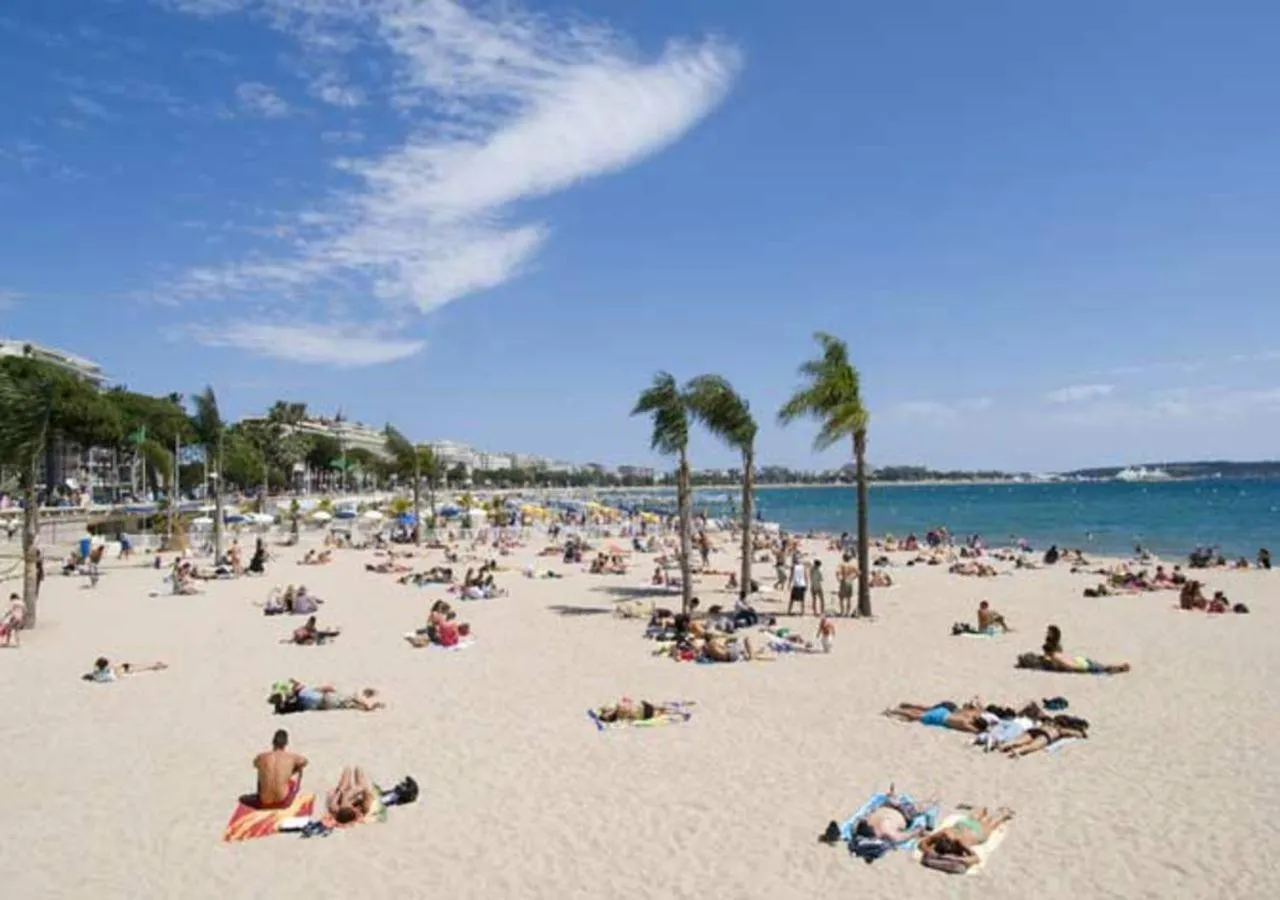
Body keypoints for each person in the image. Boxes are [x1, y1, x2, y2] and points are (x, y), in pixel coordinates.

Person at [918, 808, 1015, 872]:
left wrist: (958, 859)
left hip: (977, 832)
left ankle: (1000, 813)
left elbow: (975, 859)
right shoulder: (945, 833)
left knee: (990, 822)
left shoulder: (956, 840)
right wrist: (929, 850)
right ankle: (1001, 813)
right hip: (971, 829)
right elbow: (923, 843)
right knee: (989, 821)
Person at [1037, 625, 1130, 674]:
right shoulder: (1057, 652)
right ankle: (1117, 667)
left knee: (1102, 668)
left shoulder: (1055, 656)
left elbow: (1069, 666)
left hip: (1079, 663)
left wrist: (1078, 670)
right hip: (1079, 660)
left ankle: (1117, 667)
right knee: (1101, 666)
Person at [252, 729, 308, 809]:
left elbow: (255, 764)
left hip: (264, 801)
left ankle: (265, 791)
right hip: (283, 801)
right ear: (286, 743)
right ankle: (292, 791)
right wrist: (292, 770)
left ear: (273, 742)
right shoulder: (291, 757)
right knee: (298, 770)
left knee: (261, 769)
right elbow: (305, 761)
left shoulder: (262, 756)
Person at [883, 700, 989, 733]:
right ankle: (895, 711)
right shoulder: (966, 724)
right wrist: (984, 731)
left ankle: (901, 709)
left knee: (921, 712)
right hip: (941, 719)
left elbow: (979, 710)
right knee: (918, 716)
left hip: (945, 712)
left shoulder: (969, 717)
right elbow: (975, 731)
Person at [595, 697, 682, 723]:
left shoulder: (618, 712)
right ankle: (675, 711)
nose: (606, 713)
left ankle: (674, 711)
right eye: (606, 715)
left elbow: (628, 701)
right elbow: (628, 703)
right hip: (643, 712)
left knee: (660, 710)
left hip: (643, 709)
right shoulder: (619, 714)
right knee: (661, 711)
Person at [83, 657, 168, 682]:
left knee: (129, 667)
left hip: (114, 674)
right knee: (135, 668)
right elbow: (109, 673)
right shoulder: (100, 673)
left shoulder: (96, 673)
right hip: (115, 675)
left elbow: (95, 675)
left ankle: (154, 666)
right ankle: (154, 666)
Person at [836, 552, 857, 617]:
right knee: (849, 598)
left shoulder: (842, 564)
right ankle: (847, 613)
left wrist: (839, 579)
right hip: (850, 581)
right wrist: (853, 578)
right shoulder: (852, 565)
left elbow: (837, 572)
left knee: (841, 598)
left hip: (844, 580)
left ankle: (842, 612)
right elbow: (858, 573)